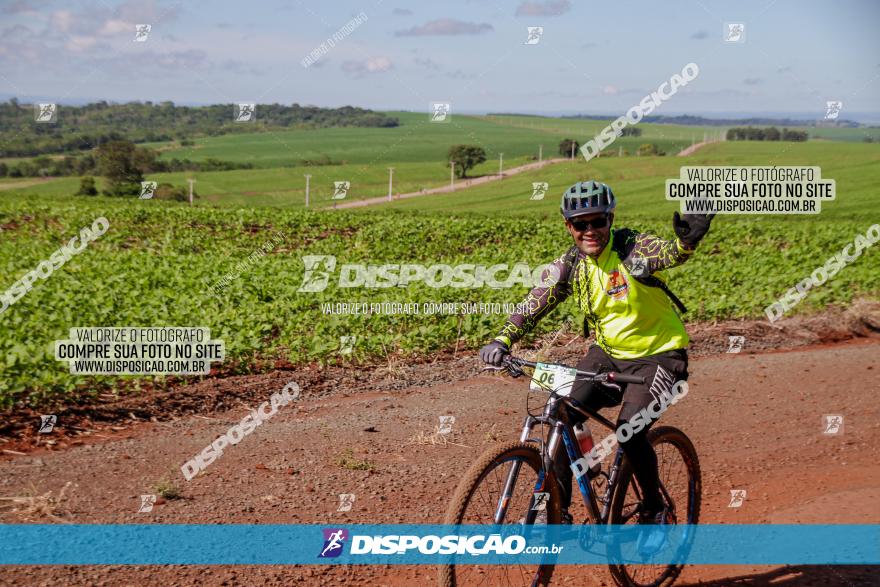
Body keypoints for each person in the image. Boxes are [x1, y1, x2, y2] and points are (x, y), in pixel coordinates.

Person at [479, 180, 714, 526]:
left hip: (661, 356)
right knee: (561, 411)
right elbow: (535, 300)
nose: (590, 231)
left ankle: (653, 508)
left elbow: (667, 253)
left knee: (630, 430)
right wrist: (502, 340)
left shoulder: (632, 250)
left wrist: (686, 241)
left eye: (598, 222)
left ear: (610, 219)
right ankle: (555, 509)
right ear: (568, 226)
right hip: (608, 354)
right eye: (580, 224)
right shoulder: (571, 265)